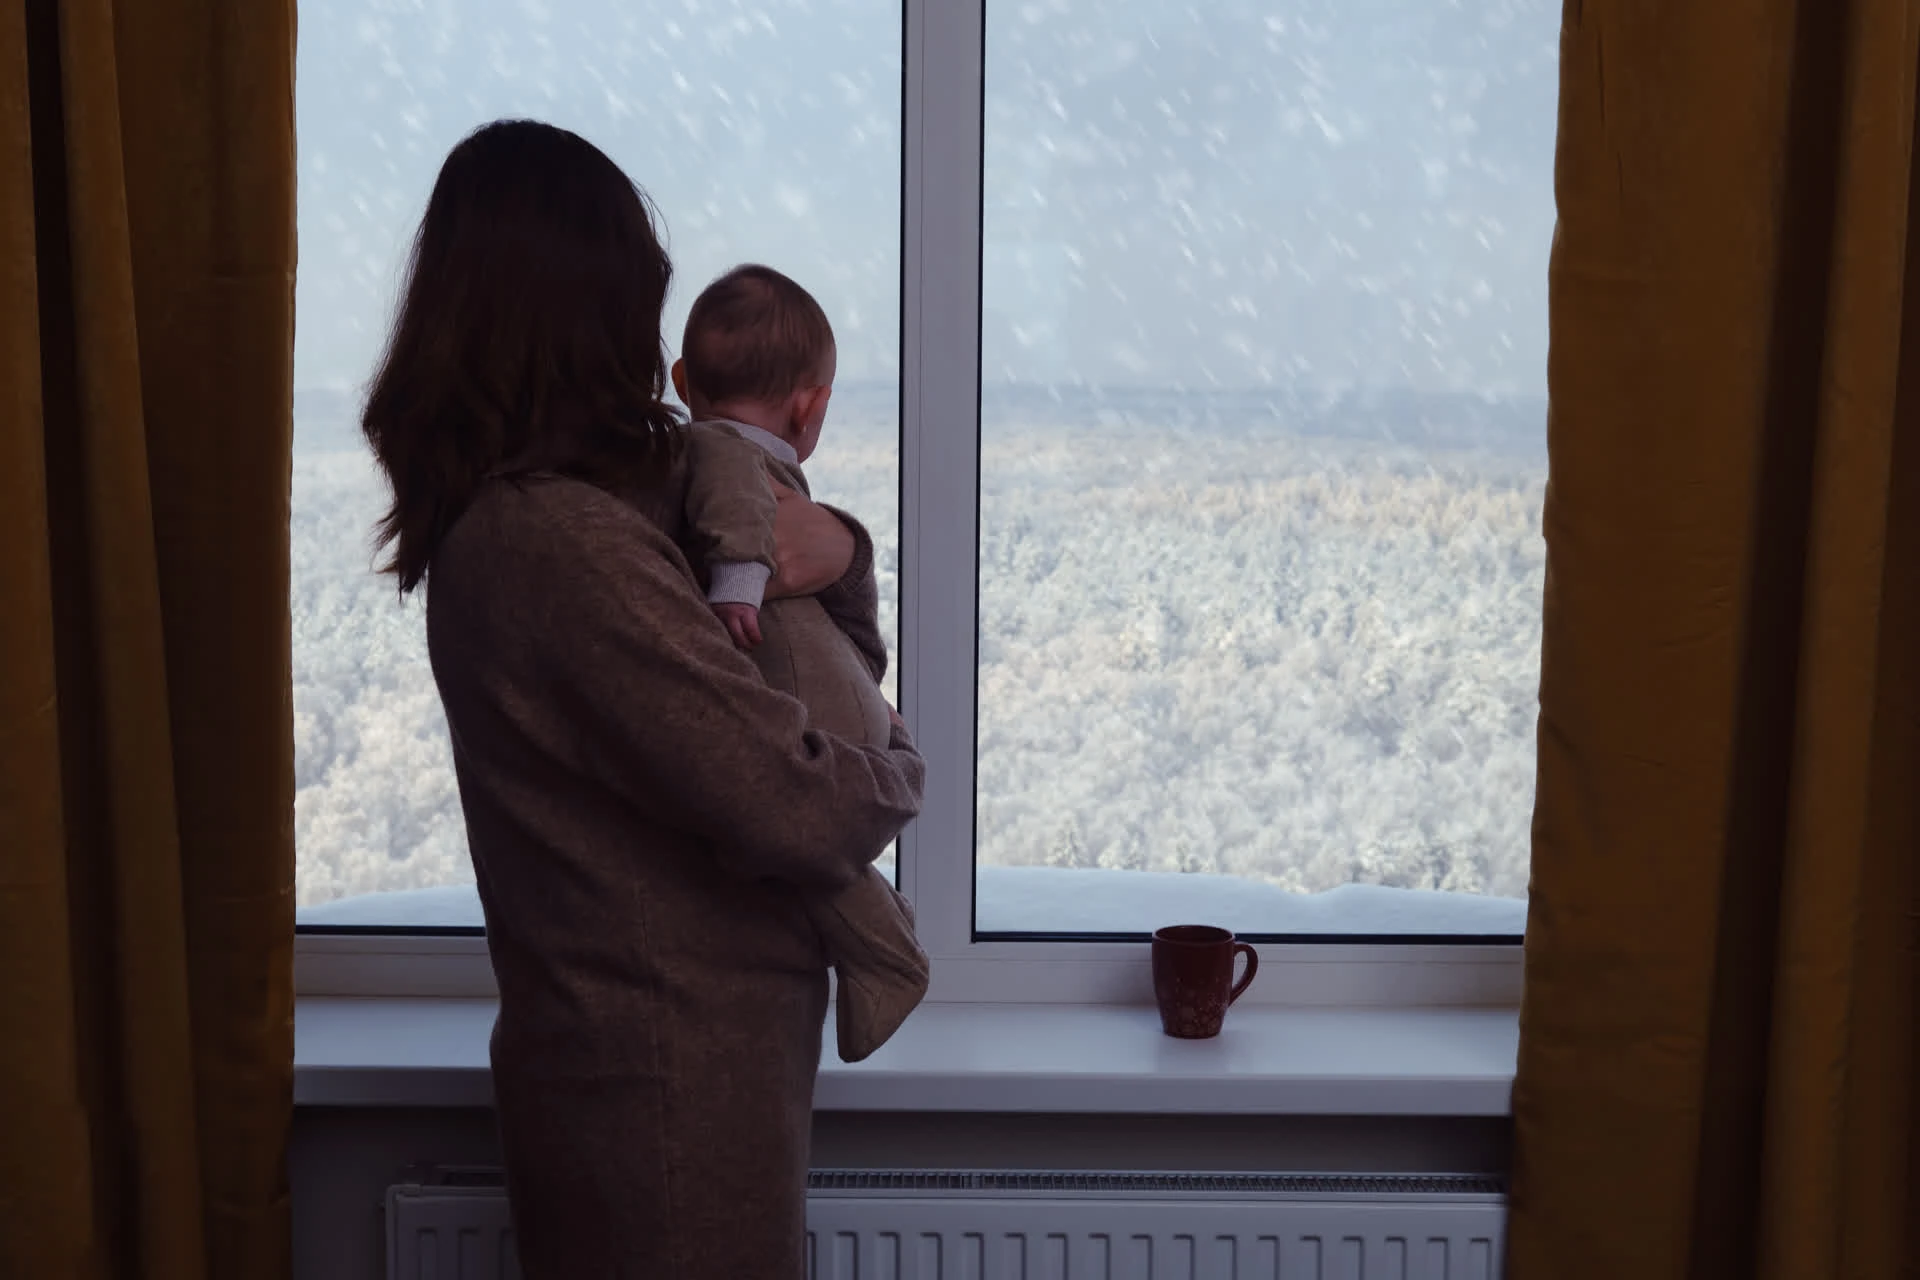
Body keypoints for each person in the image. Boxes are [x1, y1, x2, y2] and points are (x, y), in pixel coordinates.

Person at [359, 118, 925, 1279]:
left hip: (657, 1065)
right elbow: (790, 801)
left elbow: (753, 525)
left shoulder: (551, 513)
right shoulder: (558, 543)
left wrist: (846, 545)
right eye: (635, 304)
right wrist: (899, 771)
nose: (649, 344)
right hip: (663, 1085)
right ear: (581, 315)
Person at [673, 263, 929, 1064]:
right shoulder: (727, 451)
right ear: (810, 407)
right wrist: (739, 586)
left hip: (813, 692)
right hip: (825, 693)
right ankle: (888, 952)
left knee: (803, 839)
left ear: (682, 382)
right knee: (811, 841)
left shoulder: (703, 444)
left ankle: (887, 956)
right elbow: (738, 507)